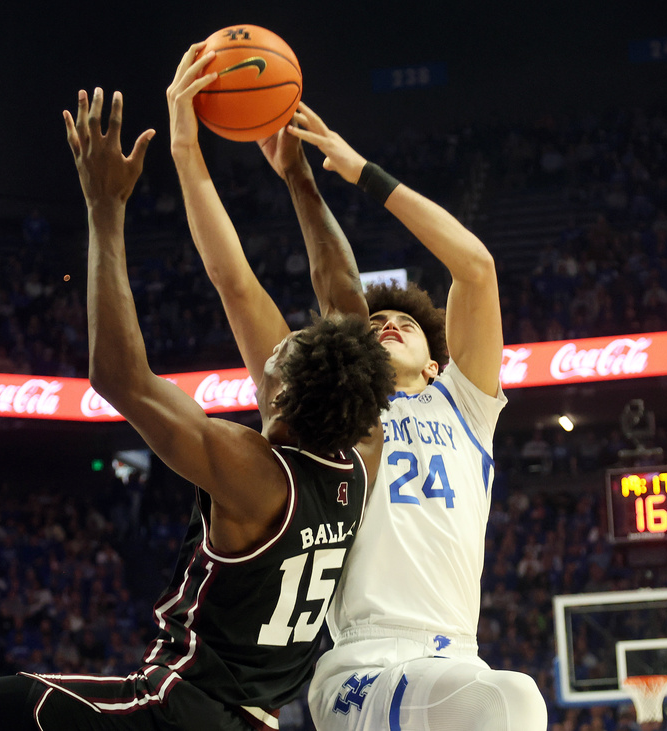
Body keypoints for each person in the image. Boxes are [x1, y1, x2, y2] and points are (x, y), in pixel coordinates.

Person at [0, 86, 396, 731]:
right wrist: (281, 172)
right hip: (255, 720)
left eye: (281, 354)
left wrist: (105, 209)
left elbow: (122, 378)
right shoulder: (360, 458)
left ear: (280, 397)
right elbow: (321, 298)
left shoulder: (254, 473)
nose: (275, 345)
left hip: (174, 712)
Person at [167, 42, 548, 731]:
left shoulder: (466, 406)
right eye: (376, 322)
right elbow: (237, 282)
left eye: (404, 321)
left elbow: (477, 266)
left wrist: (351, 171)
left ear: (438, 363)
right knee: (516, 702)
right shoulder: (336, 415)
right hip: (363, 666)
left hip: (457, 661)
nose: (387, 325)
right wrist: (190, 152)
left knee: (503, 696)